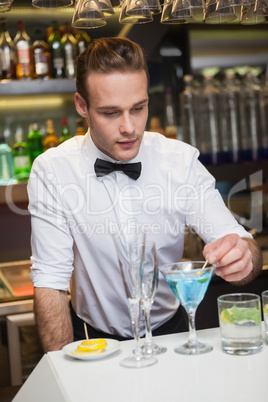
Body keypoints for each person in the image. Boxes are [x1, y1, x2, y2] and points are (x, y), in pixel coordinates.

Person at [28, 37, 262, 353]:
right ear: (82, 106)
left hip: (173, 333)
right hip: (94, 340)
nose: (129, 127)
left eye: (138, 108)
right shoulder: (53, 170)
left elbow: (241, 244)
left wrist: (243, 259)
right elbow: (50, 284)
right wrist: (62, 373)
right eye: (110, 112)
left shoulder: (179, 160)